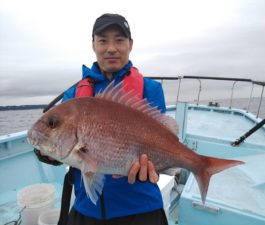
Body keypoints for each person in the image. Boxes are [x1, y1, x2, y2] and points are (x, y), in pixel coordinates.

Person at [36, 13, 168, 225]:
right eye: (103, 40)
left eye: (119, 40)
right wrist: (45, 151)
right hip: (86, 208)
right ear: (93, 45)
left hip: (141, 207)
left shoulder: (150, 89)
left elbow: (163, 138)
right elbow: (58, 141)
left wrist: (153, 166)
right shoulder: (74, 95)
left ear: (130, 44)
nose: (111, 48)